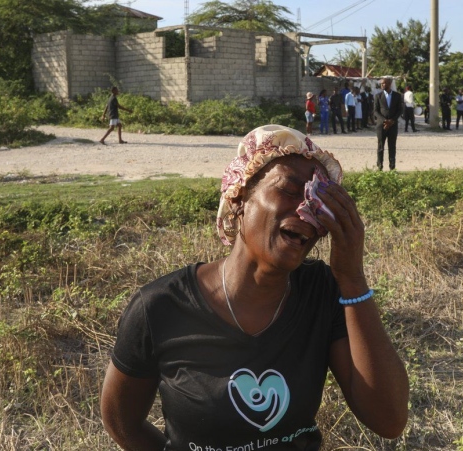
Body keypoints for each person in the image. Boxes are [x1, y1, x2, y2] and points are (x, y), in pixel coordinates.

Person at [100, 124, 410, 450]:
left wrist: (352, 278)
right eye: (290, 191)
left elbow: (388, 420)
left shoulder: (322, 291)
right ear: (240, 199)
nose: (306, 212)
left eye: (318, 201)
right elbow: (122, 423)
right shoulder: (160, 307)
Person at [374, 77, 403, 171]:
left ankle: (392, 167)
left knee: (392, 147)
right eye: (381, 83)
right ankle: (379, 167)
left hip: (393, 125)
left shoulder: (397, 96)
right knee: (380, 147)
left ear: (389, 84)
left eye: (384, 83)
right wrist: (384, 120)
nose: (382, 85)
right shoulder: (378, 96)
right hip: (381, 125)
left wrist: (392, 121)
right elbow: (375, 111)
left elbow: (400, 110)